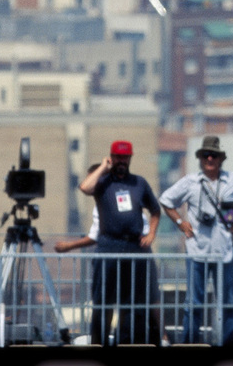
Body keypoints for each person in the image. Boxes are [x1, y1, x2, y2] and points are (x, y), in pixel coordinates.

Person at [159, 135, 233, 346]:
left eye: (214, 155)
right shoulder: (191, 182)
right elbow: (166, 200)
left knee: (226, 303)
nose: (209, 159)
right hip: (197, 250)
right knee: (194, 303)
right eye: (206, 155)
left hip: (223, 253)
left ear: (220, 159)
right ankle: (191, 343)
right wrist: (180, 222)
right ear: (200, 158)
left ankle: (229, 343)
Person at [77, 140, 162, 345]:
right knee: (103, 300)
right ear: (111, 157)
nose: (121, 161)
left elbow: (155, 210)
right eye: (117, 157)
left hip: (134, 246)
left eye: (125, 157)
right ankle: (100, 343)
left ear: (130, 158)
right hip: (108, 245)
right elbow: (84, 187)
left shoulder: (139, 183)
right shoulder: (103, 182)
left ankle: (129, 342)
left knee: (134, 301)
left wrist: (151, 234)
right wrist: (103, 168)